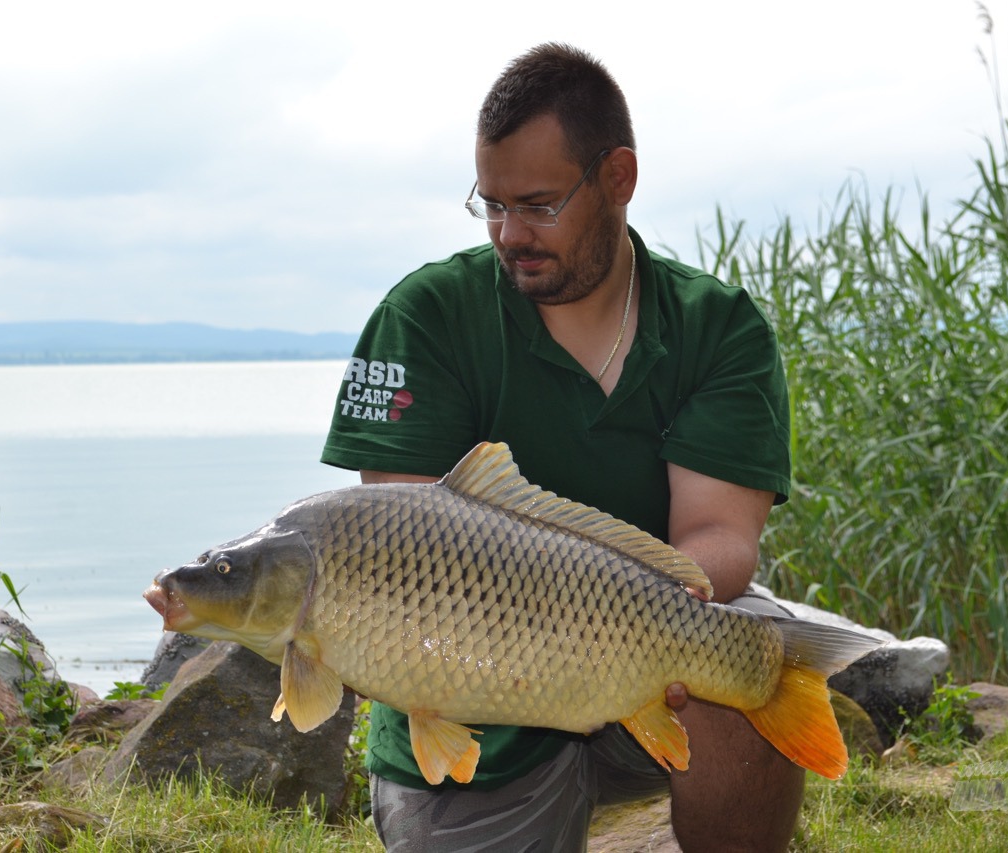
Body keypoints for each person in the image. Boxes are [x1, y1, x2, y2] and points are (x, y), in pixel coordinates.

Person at [321, 42, 798, 853]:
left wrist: (625, 622)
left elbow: (718, 538)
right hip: (472, 709)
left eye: (538, 205)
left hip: (650, 672)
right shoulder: (426, 316)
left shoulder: (717, 328)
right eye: (492, 205)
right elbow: (398, 548)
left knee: (749, 646)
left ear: (618, 178)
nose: (511, 234)